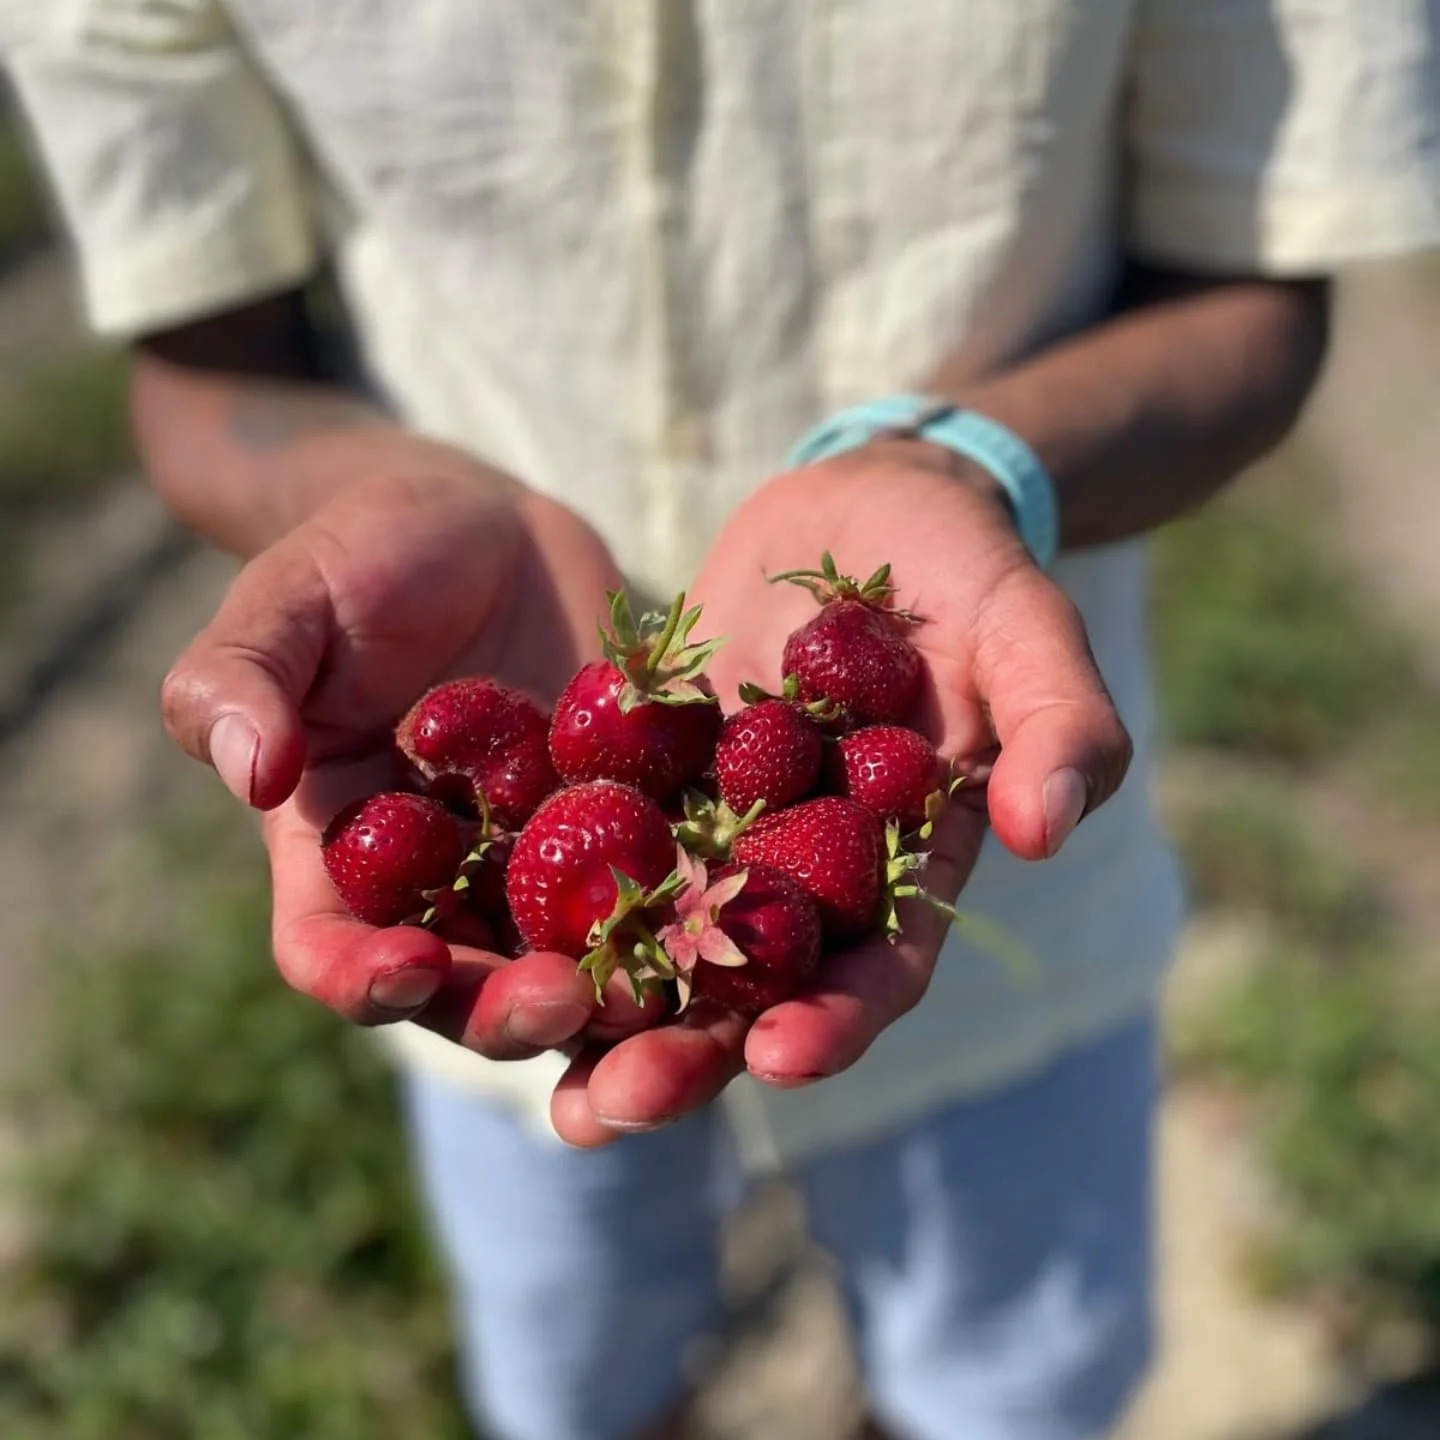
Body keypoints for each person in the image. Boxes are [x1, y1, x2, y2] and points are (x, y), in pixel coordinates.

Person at [5, 3, 1437, 1437]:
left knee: (1005, 1387)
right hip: (492, 982)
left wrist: (970, 467)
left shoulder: (781, 780)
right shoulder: (563, 831)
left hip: (1003, 865)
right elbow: (203, 365)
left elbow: (1255, 281)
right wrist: (357, 490)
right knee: (578, 1372)